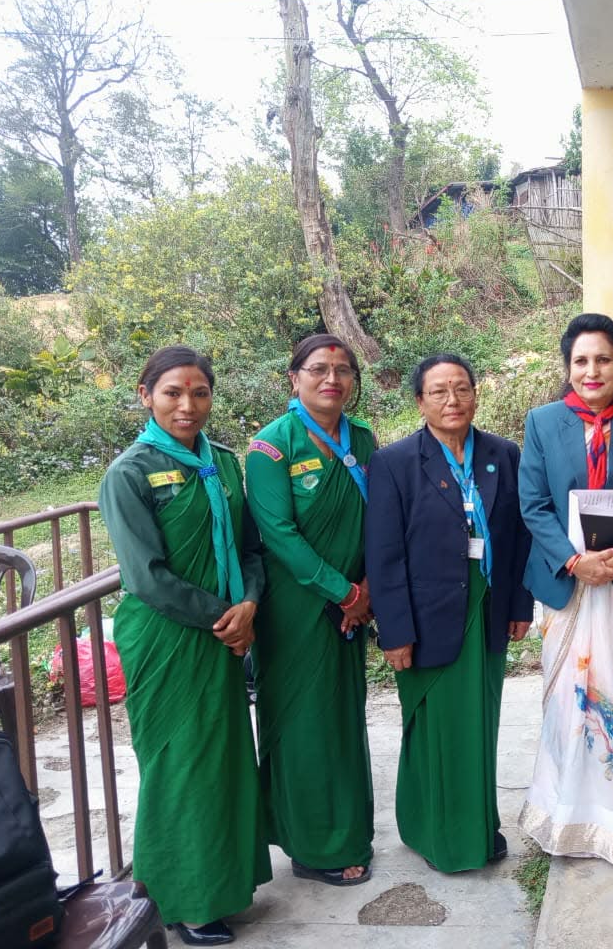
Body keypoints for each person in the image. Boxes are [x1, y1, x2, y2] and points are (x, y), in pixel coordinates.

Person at [98, 346, 269, 946]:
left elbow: (249, 547)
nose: (187, 405)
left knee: (223, 761)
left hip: (225, 629)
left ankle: (222, 884)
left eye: (199, 393)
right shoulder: (129, 473)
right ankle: (181, 902)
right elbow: (146, 576)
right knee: (178, 764)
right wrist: (228, 616)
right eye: (172, 392)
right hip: (168, 637)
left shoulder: (221, 462)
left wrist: (250, 603)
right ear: (146, 395)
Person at [366, 354, 534, 872]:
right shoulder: (394, 462)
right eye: (438, 391)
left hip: (487, 606)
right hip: (425, 617)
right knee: (435, 729)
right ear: (420, 402)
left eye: (462, 388)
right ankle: (436, 834)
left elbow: (519, 537)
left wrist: (520, 604)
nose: (452, 400)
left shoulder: (503, 454)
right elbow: (384, 553)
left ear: (476, 394)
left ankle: (478, 826)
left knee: (479, 724)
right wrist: (394, 631)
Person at [517, 313, 613, 865]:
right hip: (568, 583)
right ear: (568, 367)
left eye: (604, 360)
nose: (592, 370)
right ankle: (564, 810)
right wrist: (574, 560)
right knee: (570, 700)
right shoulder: (543, 423)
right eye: (581, 360)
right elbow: (533, 504)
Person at [245, 334, 375, 886]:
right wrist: (343, 592)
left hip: (355, 603)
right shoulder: (271, 447)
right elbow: (278, 534)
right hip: (297, 609)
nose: (332, 380)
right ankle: (310, 845)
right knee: (303, 723)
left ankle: (347, 830)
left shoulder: (362, 439)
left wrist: (368, 587)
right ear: (294, 378)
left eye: (342, 371)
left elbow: (380, 519)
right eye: (318, 369)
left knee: (343, 716)